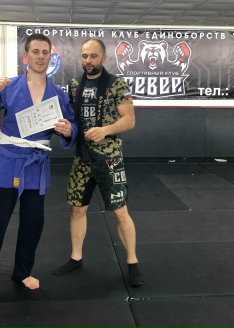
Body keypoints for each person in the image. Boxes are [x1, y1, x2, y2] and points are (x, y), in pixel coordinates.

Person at [0, 33, 77, 311]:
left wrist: (68, 130)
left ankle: (22, 272)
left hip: (36, 165)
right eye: (35, 52)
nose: (40, 56)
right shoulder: (9, 87)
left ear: (51, 57)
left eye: (45, 52)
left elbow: (71, 127)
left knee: (32, 225)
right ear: (25, 56)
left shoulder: (58, 95)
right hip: (7, 162)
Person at [53, 38, 143, 287]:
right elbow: (71, 119)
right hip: (82, 158)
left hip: (109, 158)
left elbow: (129, 120)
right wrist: (65, 129)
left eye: (93, 56)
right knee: (77, 209)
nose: (88, 61)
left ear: (103, 58)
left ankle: (133, 262)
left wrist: (105, 130)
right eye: (84, 56)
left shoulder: (117, 84)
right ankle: (75, 257)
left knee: (120, 212)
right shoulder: (75, 85)